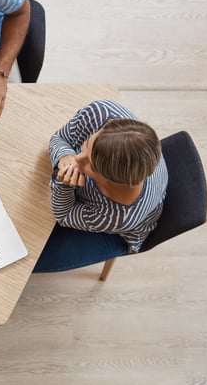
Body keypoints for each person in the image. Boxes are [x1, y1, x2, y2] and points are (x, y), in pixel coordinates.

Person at [33, 100, 169, 273]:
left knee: (31, 258)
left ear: (111, 180)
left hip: (115, 233)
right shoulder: (102, 113)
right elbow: (60, 138)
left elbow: (65, 214)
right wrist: (65, 155)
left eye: (89, 164)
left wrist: (63, 184)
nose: (78, 159)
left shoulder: (116, 217)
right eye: (87, 144)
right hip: (109, 200)